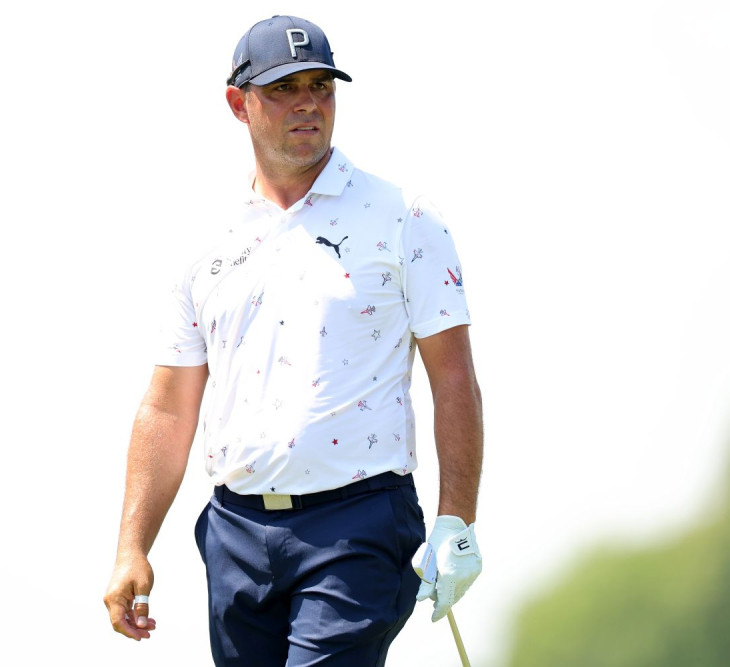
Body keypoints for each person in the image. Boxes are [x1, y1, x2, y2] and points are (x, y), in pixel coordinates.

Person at [103, 15, 484, 666]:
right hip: (236, 531)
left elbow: (453, 377)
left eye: (321, 86)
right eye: (284, 88)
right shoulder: (205, 240)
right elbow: (169, 405)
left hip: (359, 522)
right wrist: (132, 543)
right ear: (238, 102)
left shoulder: (403, 218)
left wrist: (456, 520)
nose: (308, 102)